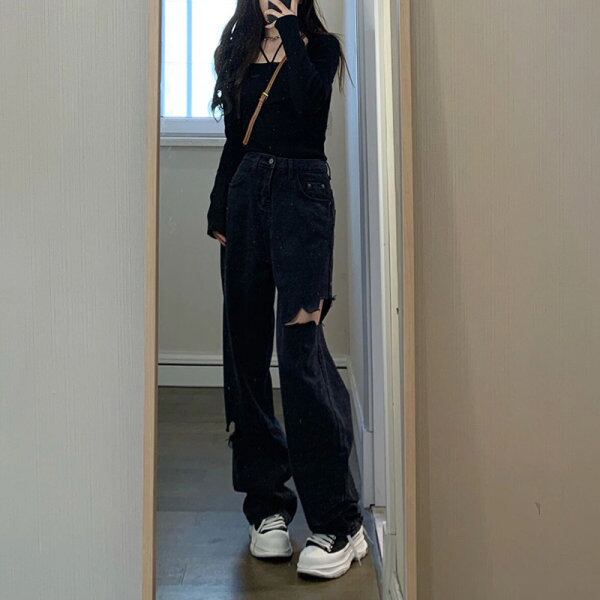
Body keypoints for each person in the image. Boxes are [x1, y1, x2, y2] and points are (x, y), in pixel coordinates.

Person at [206, 0, 368, 579]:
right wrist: (219, 206)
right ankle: (267, 507)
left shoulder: (320, 47)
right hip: (245, 195)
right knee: (245, 355)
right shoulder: (236, 47)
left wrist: (293, 28)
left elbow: (309, 105)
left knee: (300, 355)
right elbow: (235, 140)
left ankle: (338, 521)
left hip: (302, 198)